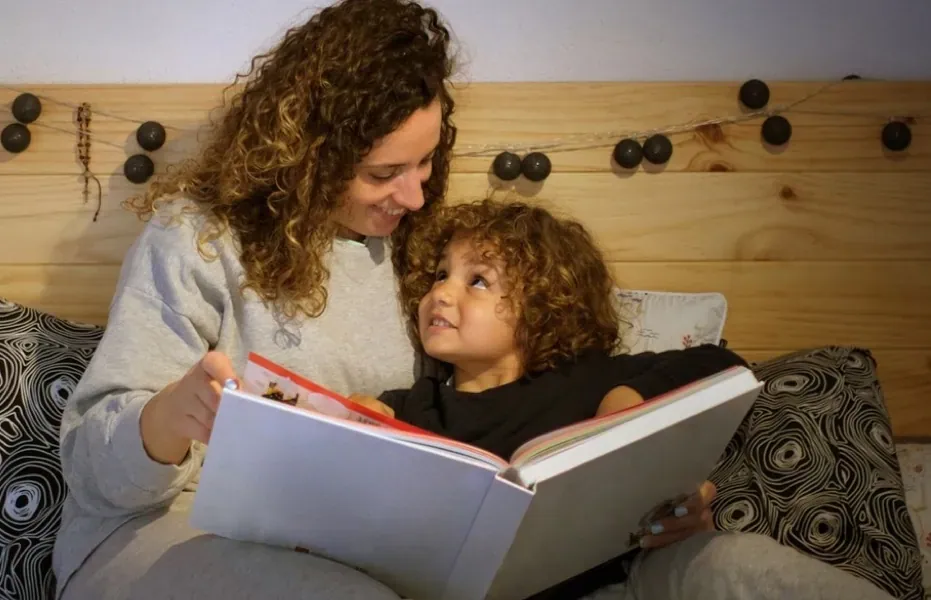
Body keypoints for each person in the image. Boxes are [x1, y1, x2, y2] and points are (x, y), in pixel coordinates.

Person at [53, 0, 897, 598]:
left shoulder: (421, 254)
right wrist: (172, 417)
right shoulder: (196, 239)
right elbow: (96, 473)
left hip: (380, 552)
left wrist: (652, 488)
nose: (416, 196)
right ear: (302, 156)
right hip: (174, 531)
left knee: (734, 572)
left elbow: (558, 385)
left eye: (428, 162)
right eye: (385, 173)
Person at [351, 198, 898, 600]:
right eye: (441, 275)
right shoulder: (415, 406)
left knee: (730, 563)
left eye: (477, 281)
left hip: (620, 582)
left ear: (543, 308)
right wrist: (356, 421)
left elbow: (723, 365)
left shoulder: (588, 379)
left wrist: (629, 397)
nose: (440, 292)